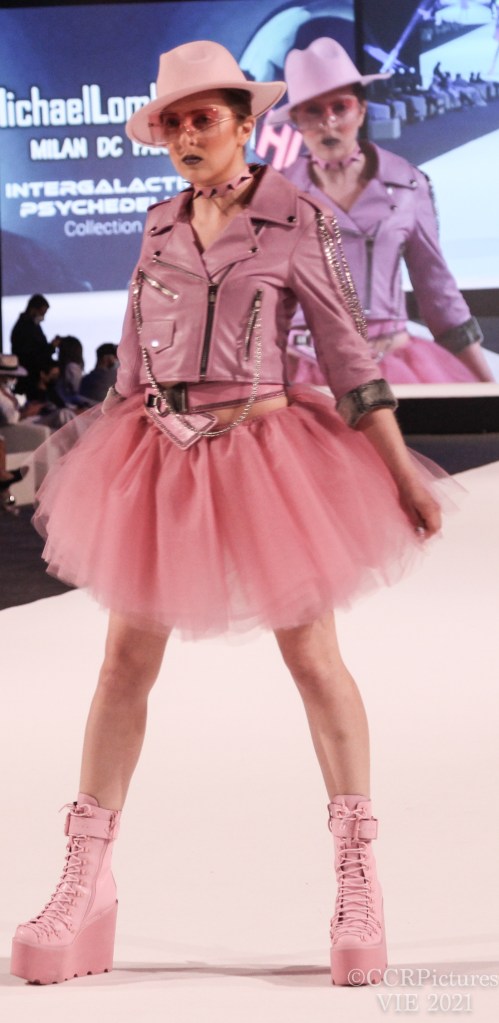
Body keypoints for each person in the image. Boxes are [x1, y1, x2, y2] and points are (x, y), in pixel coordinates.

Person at [10, 41, 456, 990]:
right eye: (172, 121)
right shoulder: (158, 223)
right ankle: (85, 881)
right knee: (122, 664)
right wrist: (94, 454)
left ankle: (357, 877)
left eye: (202, 118)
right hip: (155, 454)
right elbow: (133, 358)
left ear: (244, 123)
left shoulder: (297, 218)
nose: (185, 135)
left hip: (263, 452)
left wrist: (402, 475)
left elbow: (350, 359)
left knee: (313, 658)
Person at [267, 38, 494, 385]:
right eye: (313, 111)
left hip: (392, 366)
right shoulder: (275, 195)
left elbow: (437, 290)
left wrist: (485, 387)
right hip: (305, 371)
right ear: (296, 120)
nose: (329, 122)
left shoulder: (408, 183)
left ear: (360, 109)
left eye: (340, 107)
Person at [10, 294, 60, 394]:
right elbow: (32, 355)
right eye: (42, 313)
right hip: (31, 377)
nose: (43, 317)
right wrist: (51, 347)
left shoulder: (32, 325)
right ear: (33, 309)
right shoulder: (24, 328)